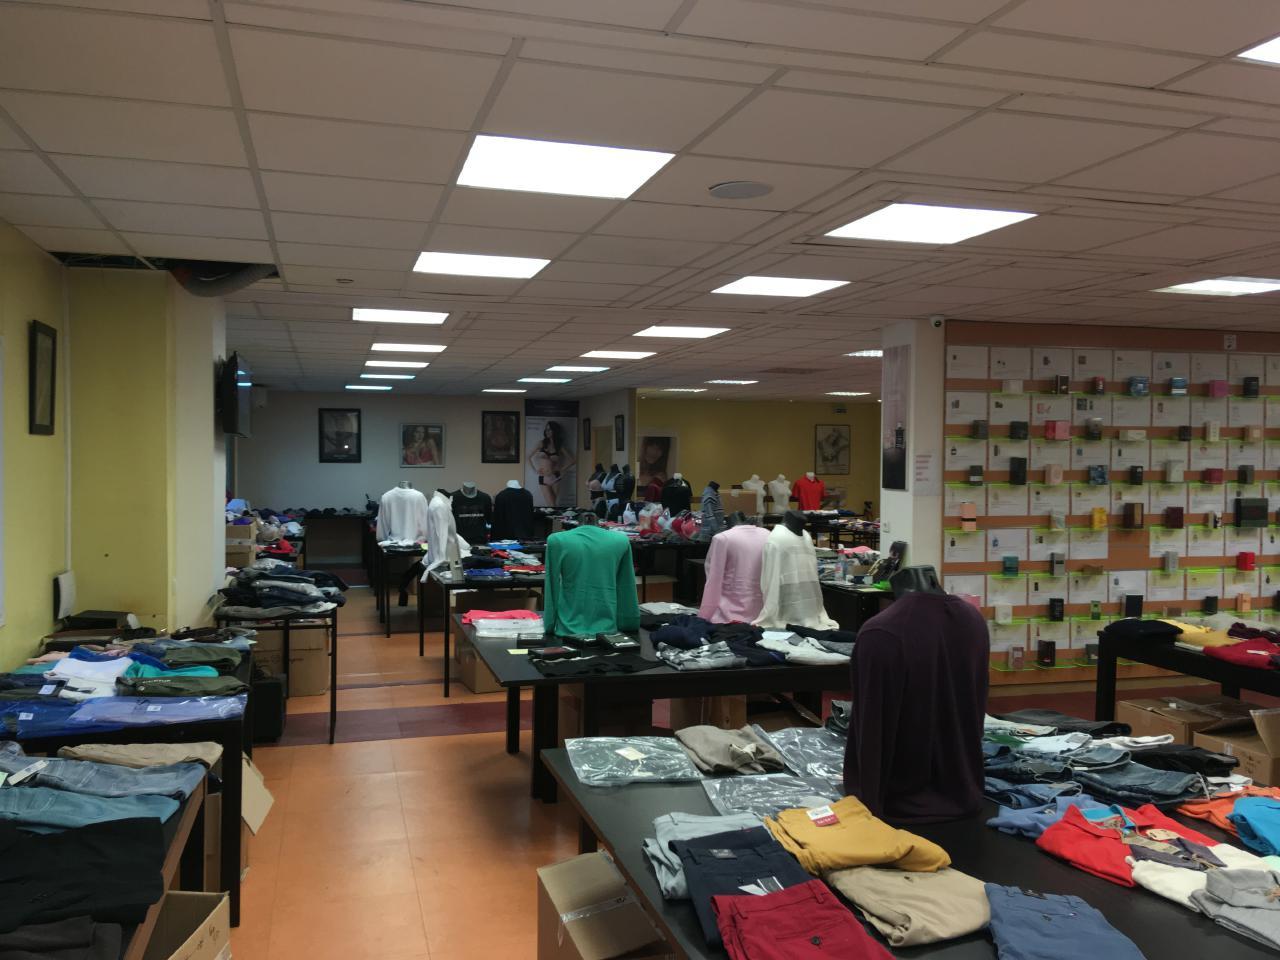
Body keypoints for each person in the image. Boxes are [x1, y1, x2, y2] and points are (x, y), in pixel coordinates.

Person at [528, 420, 575, 507]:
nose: (547, 431)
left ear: (554, 431)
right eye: (546, 429)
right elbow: (528, 457)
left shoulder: (559, 446)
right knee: (551, 504)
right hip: (543, 477)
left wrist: (562, 469)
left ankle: (553, 515)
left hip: (555, 477)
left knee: (553, 505)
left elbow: (572, 461)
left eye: (549, 429)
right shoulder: (541, 443)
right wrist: (535, 470)